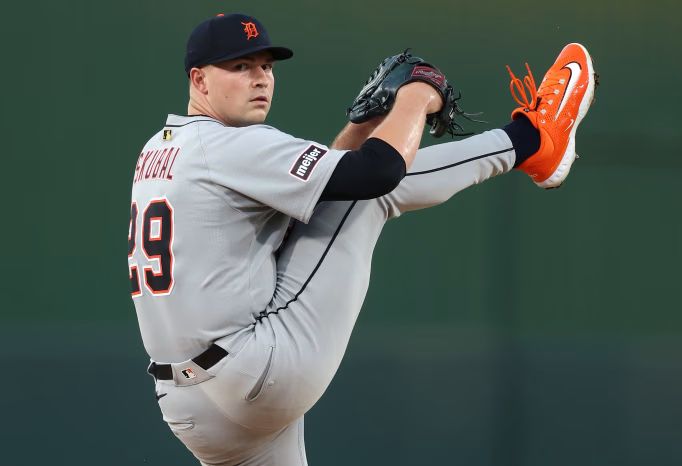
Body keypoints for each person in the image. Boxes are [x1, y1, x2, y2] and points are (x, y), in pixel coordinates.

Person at [128, 12, 595, 466]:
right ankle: (532, 141)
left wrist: (361, 127)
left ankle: (532, 143)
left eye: (266, 66)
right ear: (199, 80)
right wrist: (415, 98)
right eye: (240, 66)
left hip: (187, 405)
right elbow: (375, 175)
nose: (260, 79)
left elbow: (316, 204)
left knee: (346, 197)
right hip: (254, 374)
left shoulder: (160, 148)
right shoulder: (230, 145)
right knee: (369, 198)